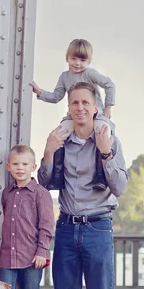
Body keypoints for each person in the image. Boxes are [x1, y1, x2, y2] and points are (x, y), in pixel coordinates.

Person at [39, 81, 128, 289]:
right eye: (74, 102)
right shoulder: (61, 140)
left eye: (85, 103)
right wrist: (48, 150)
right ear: (69, 107)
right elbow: (45, 182)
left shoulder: (109, 139)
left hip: (98, 229)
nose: (79, 107)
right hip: (66, 229)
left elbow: (119, 186)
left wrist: (105, 152)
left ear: (95, 107)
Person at [30, 39, 116, 191]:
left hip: (95, 115)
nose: (77, 63)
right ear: (67, 58)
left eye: (82, 60)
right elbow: (57, 96)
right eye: (74, 59)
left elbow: (110, 85)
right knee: (59, 134)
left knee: (103, 131)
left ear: (88, 61)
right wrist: (40, 92)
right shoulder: (64, 77)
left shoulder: (90, 73)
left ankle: (101, 176)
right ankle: (57, 176)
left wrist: (108, 107)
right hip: (74, 116)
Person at [0, 144, 54, 289]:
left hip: (32, 257)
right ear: (8, 167)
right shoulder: (7, 193)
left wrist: (42, 251)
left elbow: (46, 225)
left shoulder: (40, 194)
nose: (20, 168)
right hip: (8, 255)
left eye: (24, 164)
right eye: (15, 164)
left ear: (33, 166)